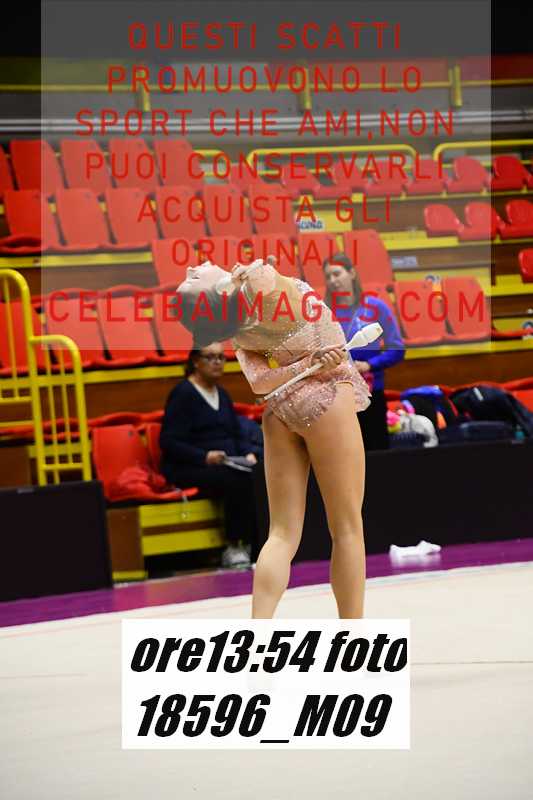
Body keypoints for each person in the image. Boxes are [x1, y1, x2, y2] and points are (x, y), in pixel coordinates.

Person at [176, 256, 375, 620]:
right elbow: (267, 278)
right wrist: (314, 362)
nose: (193, 267)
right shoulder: (258, 282)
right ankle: (353, 637)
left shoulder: (236, 326)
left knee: (281, 534)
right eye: (193, 279)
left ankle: (258, 631)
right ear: (217, 292)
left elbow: (259, 382)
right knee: (347, 529)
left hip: (280, 410)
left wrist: (304, 364)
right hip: (325, 398)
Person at [159, 341, 259, 569]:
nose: (217, 363)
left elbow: (236, 432)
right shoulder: (183, 394)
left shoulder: (222, 394)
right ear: (195, 361)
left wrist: (248, 453)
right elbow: (169, 442)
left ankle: (259, 545)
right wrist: (204, 456)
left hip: (226, 462)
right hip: (188, 466)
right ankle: (235, 546)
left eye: (221, 358)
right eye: (210, 357)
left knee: (258, 472)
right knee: (236, 479)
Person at [323, 252, 405, 450]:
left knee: (376, 452)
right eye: (328, 277)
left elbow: (397, 349)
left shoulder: (376, 307)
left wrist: (369, 365)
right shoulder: (325, 312)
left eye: (337, 274)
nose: (332, 281)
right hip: (337, 396)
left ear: (351, 273)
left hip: (371, 393)